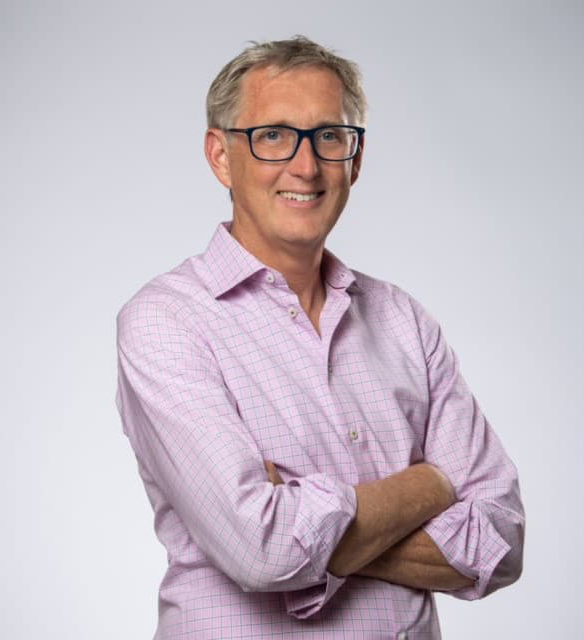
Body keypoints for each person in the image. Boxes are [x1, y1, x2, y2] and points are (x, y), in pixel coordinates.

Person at [115, 35, 525, 639]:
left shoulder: (404, 322)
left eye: (328, 137)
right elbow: (263, 549)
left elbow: (502, 542)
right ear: (222, 156)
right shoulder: (166, 321)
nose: (305, 166)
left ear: (354, 160)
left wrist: (310, 512)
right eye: (273, 135)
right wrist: (431, 485)